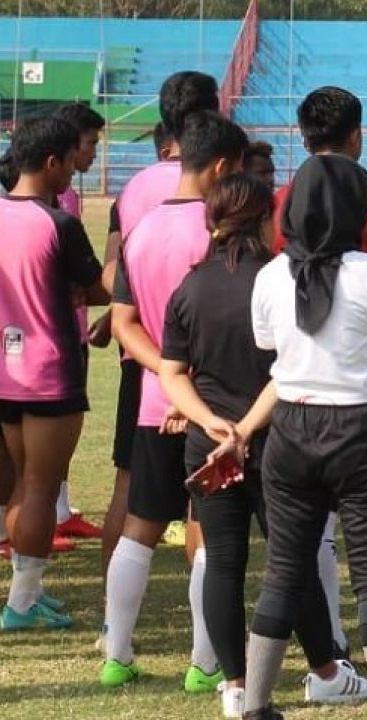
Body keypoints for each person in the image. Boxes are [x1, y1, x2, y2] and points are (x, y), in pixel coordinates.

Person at [159, 173, 367, 716]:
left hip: (207, 444)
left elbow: (172, 373)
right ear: (265, 218)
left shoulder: (190, 286)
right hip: (277, 437)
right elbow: (290, 368)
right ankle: (325, 671)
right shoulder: (280, 280)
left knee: (222, 561)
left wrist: (212, 424)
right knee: (291, 560)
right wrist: (246, 429)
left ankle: (235, 685)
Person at [243, 154, 367, 720]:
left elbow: (266, 343)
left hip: (291, 427)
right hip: (361, 428)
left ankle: (256, 704)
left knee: (284, 572)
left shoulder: (270, 275)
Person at [100, 110, 246, 690]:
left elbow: (120, 322)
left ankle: (117, 652)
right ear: (219, 167)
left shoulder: (141, 231)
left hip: (149, 399)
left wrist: (162, 369)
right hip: (207, 405)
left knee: (141, 525)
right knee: (206, 530)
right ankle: (203, 663)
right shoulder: (214, 236)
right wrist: (187, 380)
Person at [0, 117, 109, 631]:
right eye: (69, 164)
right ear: (51, 163)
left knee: (21, 481)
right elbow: (97, 286)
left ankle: (25, 592)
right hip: (49, 367)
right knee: (40, 486)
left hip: (3, 367)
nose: (72, 175)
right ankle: (22, 603)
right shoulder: (58, 224)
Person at [98, 72, 218, 591]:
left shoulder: (135, 188)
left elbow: (113, 271)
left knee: (131, 490)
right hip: (204, 367)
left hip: (143, 362)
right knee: (204, 501)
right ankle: (208, 644)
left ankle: (113, 626)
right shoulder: (217, 189)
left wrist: (128, 310)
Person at [46, 102, 108, 541]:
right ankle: (49, 512)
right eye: (89, 145)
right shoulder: (59, 195)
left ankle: (58, 508)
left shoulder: (61, 192)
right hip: (58, 332)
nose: (93, 155)